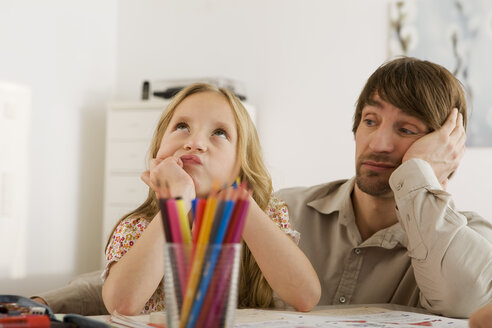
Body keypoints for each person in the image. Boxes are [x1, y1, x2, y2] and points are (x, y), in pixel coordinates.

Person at [275, 56, 492, 318]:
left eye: (406, 129)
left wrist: (417, 175)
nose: (378, 144)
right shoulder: (284, 211)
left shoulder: (473, 239)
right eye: (370, 121)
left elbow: (465, 303)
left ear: (445, 150)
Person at [101, 83, 321, 315]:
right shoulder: (137, 227)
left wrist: (241, 204)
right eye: (182, 126)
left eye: (219, 133)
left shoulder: (265, 214)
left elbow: (305, 297)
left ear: (240, 163)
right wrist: (177, 200)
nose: (194, 143)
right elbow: (120, 305)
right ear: (159, 147)